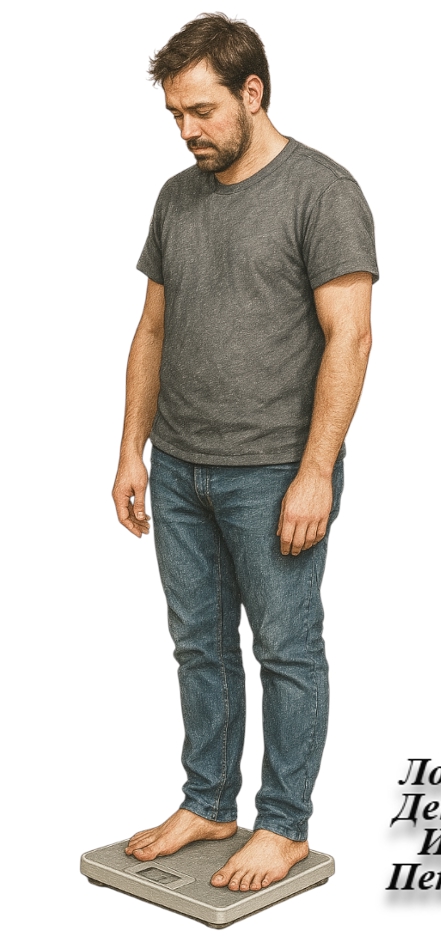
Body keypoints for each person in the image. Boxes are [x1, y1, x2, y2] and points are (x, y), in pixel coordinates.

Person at [112, 12, 378, 894]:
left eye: (202, 111)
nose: (187, 130)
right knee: (199, 646)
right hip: (179, 466)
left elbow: (350, 337)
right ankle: (209, 803)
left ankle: (284, 826)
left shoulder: (321, 191)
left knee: (286, 648)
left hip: (273, 472)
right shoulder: (177, 196)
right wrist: (131, 452)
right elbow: (152, 329)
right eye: (175, 115)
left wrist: (315, 473)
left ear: (252, 93)